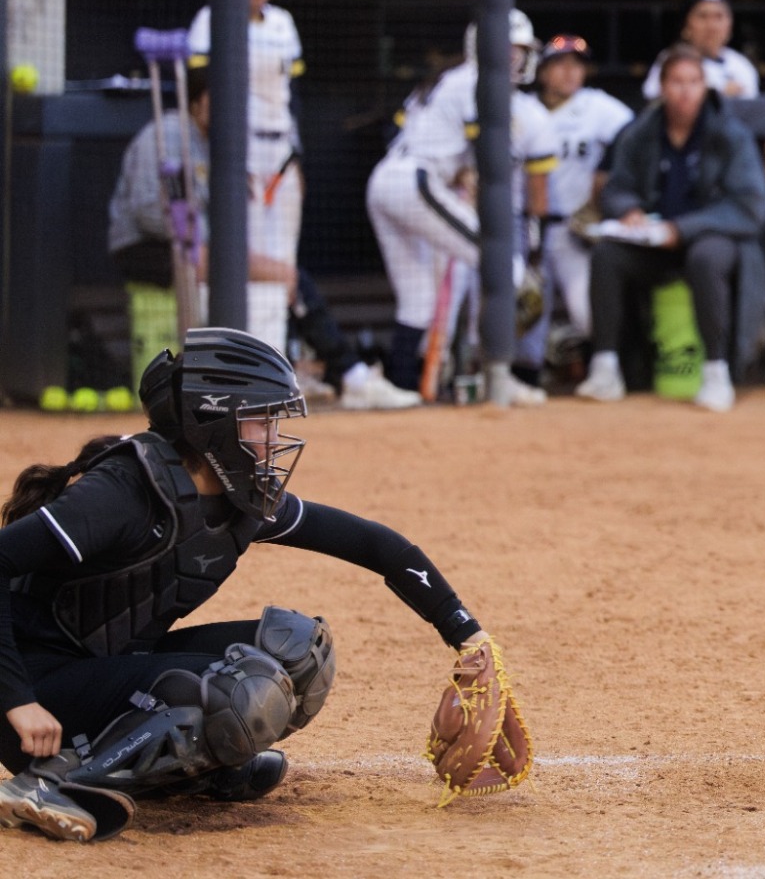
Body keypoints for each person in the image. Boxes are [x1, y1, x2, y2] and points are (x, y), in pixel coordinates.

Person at [0, 328, 497, 841]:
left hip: (100, 672)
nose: (273, 435)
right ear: (213, 424)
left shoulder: (239, 499)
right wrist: (18, 700)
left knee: (303, 654)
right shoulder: (122, 493)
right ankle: (49, 784)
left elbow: (375, 545)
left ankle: (190, 771)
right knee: (243, 687)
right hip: (33, 699)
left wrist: (468, 635)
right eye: (261, 419)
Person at [107, 70, 415, 410]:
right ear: (196, 103)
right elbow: (144, 211)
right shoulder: (166, 134)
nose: (228, 109)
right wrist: (196, 233)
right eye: (217, 100)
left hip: (190, 247)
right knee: (275, 273)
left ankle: (334, 372)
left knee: (285, 275)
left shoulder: (217, 144)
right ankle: (349, 374)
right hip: (145, 248)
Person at [365, 8, 556, 406]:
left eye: (519, 51)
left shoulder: (452, 79)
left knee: (419, 297)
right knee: (507, 266)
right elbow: (482, 157)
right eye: (507, 50)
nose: (514, 59)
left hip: (391, 182)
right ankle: (496, 374)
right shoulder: (473, 80)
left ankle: (400, 387)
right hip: (414, 181)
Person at [575, 44, 765, 412]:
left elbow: (750, 205)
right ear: (662, 87)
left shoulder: (730, 133)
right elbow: (617, 187)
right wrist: (629, 210)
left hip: (713, 240)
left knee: (705, 258)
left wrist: (682, 229)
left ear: (705, 87)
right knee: (607, 256)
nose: (685, 91)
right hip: (654, 242)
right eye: (677, 82)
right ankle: (606, 368)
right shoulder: (641, 131)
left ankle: (716, 373)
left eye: (694, 82)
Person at [187, 0, 304, 344]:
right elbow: (200, 95)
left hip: (281, 154)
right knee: (251, 260)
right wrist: (225, 158)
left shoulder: (283, 24)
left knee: (284, 263)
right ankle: (237, 361)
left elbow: (292, 98)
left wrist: (297, 159)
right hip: (241, 151)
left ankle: (275, 365)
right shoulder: (211, 20)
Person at [529, 35, 635, 351]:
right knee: (526, 320)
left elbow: (636, 135)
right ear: (542, 71)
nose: (570, 72)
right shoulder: (524, 108)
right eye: (560, 64)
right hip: (528, 230)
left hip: (573, 229)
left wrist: (605, 184)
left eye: (577, 65)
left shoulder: (596, 105)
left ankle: (603, 368)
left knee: (587, 314)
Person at [641, 0, 760, 101]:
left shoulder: (741, 66)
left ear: (730, 25)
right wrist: (717, 95)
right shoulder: (672, 59)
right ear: (686, 25)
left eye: (718, 17)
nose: (711, 26)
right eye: (702, 16)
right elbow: (653, 98)